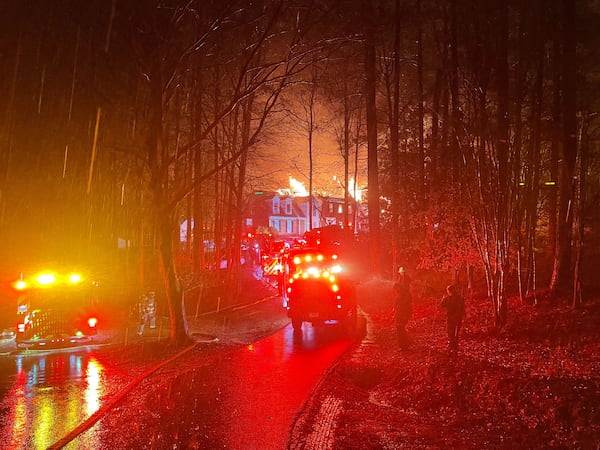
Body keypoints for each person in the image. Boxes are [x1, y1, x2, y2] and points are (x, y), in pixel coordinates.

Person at [439, 284, 465, 355]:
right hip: (458, 319)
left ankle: (452, 348)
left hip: (450, 319)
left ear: (449, 291)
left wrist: (443, 298)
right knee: (456, 334)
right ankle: (455, 349)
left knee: (451, 334)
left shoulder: (448, 299)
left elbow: (441, 305)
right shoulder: (460, 298)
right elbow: (463, 309)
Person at [393, 267, 412, 350]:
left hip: (402, 315)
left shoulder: (403, 295)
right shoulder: (402, 295)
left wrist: (398, 313)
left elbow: (402, 306)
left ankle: (404, 345)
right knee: (401, 328)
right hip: (403, 314)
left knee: (400, 328)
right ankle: (405, 345)